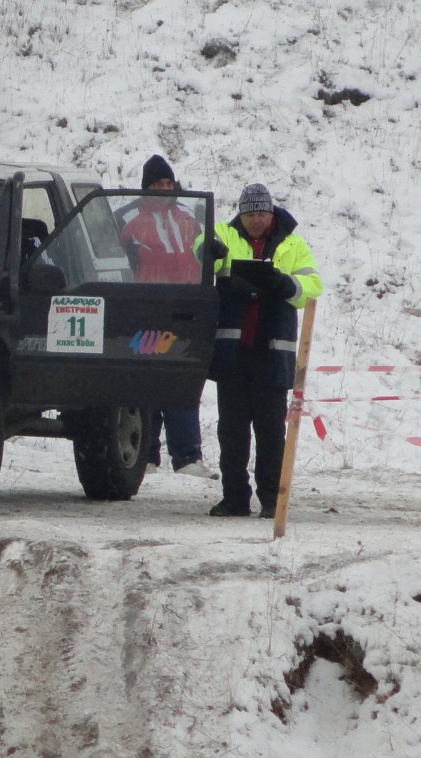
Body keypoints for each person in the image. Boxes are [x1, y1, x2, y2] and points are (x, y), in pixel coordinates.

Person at [206, 183, 323, 518]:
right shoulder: (224, 235)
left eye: (261, 213)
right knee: (232, 431)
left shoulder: (293, 243)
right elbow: (201, 249)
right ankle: (234, 498)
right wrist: (208, 251)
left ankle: (272, 499)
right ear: (241, 214)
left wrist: (286, 284)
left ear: (271, 213)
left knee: (271, 430)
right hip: (233, 352)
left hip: (271, 352)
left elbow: (313, 286)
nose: (255, 220)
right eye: (249, 214)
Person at [121, 155, 216, 479]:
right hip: (145, 310)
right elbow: (114, 260)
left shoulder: (189, 215)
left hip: (184, 310)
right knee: (145, 381)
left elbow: (203, 253)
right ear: (146, 187)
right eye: (157, 184)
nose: (164, 188)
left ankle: (188, 457)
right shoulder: (127, 217)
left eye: (168, 183)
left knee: (182, 380)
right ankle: (145, 454)